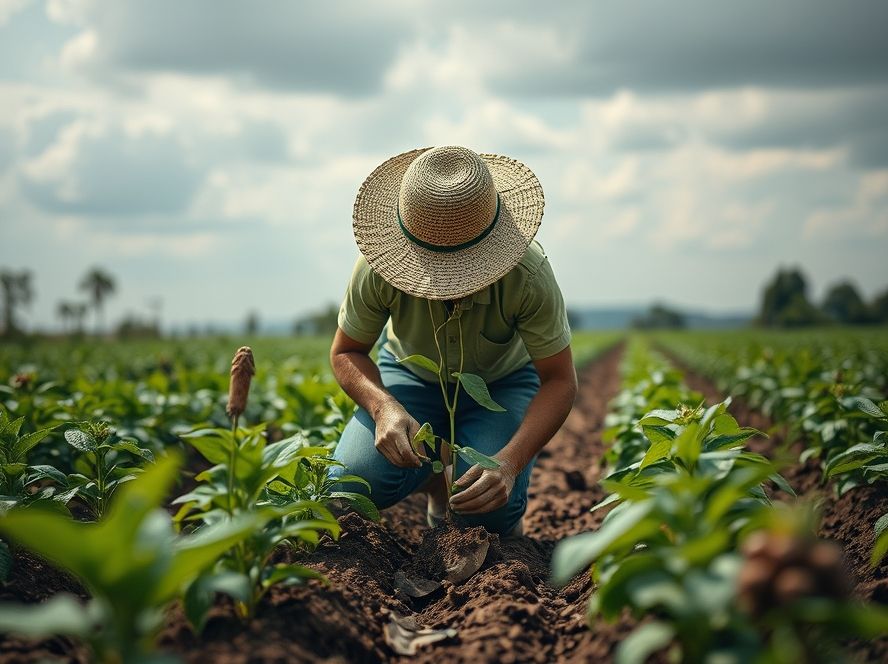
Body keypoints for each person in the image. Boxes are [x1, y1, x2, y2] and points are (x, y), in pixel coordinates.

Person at [330, 145, 577, 536]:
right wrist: (383, 408)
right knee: (349, 486)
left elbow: (560, 380)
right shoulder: (377, 269)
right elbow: (346, 352)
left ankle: (473, 484)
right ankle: (433, 482)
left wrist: (509, 464)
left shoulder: (528, 275)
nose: (451, 285)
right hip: (410, 377)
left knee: (486, 511)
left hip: (502, 384)